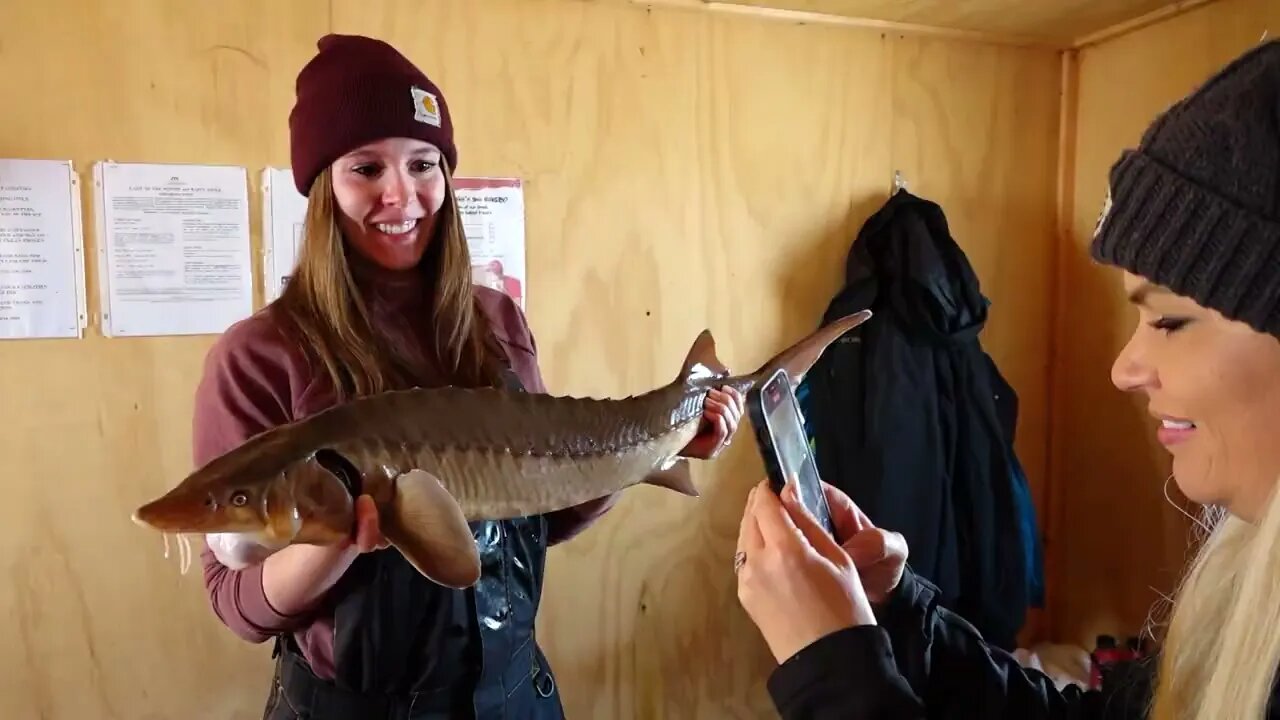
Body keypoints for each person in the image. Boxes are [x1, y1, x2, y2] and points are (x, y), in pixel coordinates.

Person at [192, 33, 745, 720]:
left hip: (512, 694)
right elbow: (235, 601)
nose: (401, 195)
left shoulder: (496, 320)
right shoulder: (257, 355)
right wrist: (338, 538)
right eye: (366, 168)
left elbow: (541, 512)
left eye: (424, 164)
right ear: (322, 188)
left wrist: (657, 451)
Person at [734, 39, 1280, 720]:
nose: (1123, 370)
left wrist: (833, 671)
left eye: (1169, 322)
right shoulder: (1251, 604)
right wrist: (901, 619)